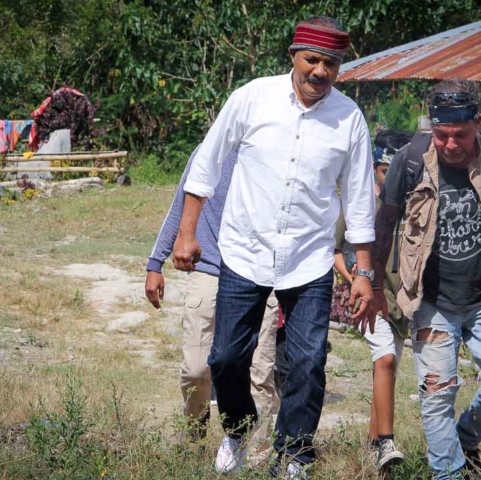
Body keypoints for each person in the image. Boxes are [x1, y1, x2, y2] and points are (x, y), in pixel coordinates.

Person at [172, 16, 376, 477]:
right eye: (313, 59)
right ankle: (240, 429)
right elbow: (204, 166)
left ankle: (295, 455)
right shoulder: (251, 97)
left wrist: (364, 273)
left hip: (309, 261)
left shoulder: (349, 119)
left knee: (307, 361)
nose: (320, 71)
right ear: (293, 56)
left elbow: (361, 201)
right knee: (224, 356)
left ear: (341, 68)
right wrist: (186, 234)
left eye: (331, 63)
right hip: (244, 251)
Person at [372, 79, 481, 480]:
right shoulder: (411, 158)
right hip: (431, 300)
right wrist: (374, 283)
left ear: (477, 124)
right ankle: (449, 473)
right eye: (442, 135)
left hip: (480, 296)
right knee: (437, 394)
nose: (451, 145)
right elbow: (386, 220)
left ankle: (466, 437)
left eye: (461, 136)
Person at [145, 146, 281, 451]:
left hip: (260, 275)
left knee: (259, 374)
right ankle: (196, 429)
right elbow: (180, 206)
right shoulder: (210, 152)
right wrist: (156, 263)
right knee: (196, 369)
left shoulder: (278, 150)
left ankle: (253, 458)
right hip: (210, 270)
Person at [334, 128, 412, 471]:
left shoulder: (414, 202)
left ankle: (371, 443)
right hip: (367, 295)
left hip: (401, 299)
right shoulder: (360, 200)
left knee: (387, 367)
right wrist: (358, 281)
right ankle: (386, 443)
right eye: (386, 172)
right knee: (385, 360)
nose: (393, 179)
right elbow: (335, 251)